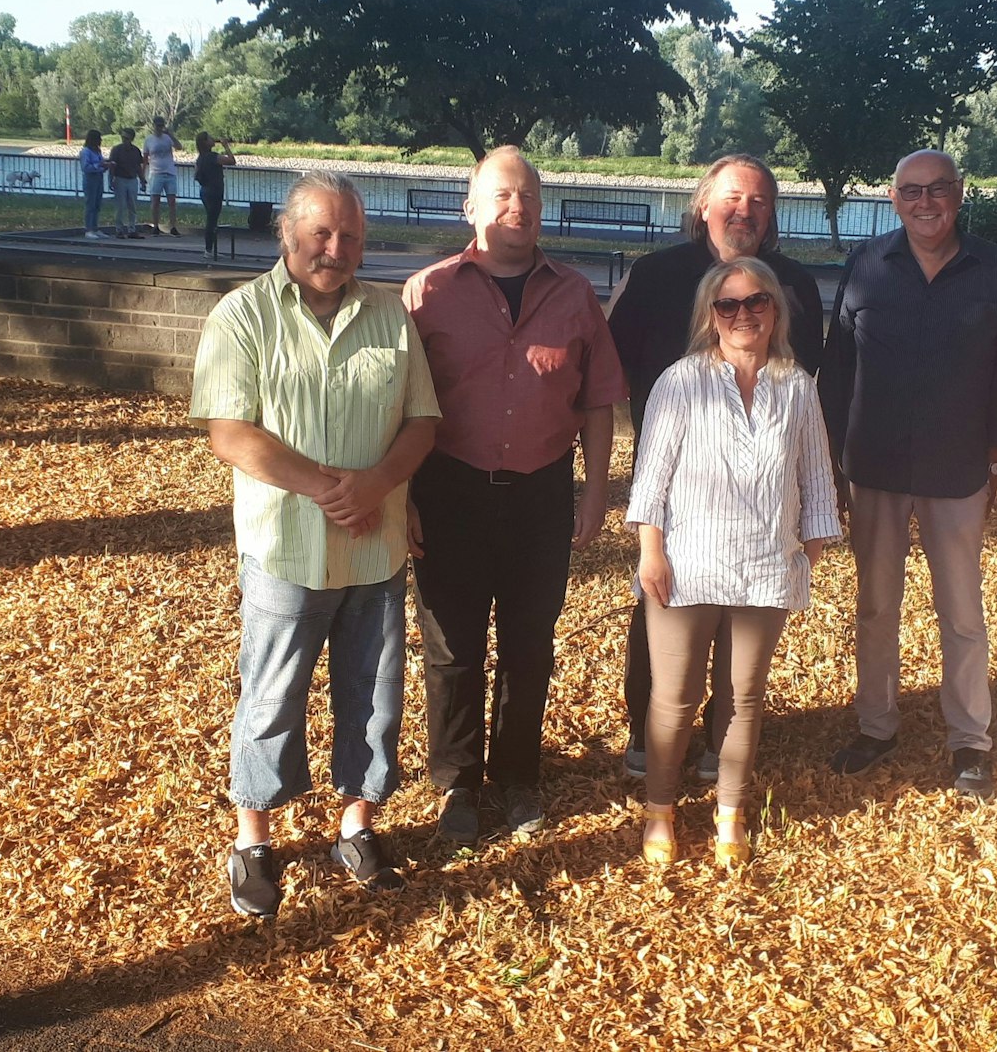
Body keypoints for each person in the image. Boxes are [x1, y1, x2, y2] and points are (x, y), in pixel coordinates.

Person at [191, 171, 441, 915]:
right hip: (287, 547)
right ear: (287, 232)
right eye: (322, 234)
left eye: (351, 237)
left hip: (375, 547)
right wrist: (326, 486)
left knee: (374, 696)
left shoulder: (391, 317)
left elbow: (422, 422)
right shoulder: (242, 316)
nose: (337, 249)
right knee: (272, 695)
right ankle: (253, 840)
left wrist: (376, 485)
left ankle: (357, 823)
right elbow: (229, 433)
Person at [403, 146, 628, 846]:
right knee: (452, 644)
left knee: (530, 642)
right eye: (501, 195)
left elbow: (597, 402)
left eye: (528, 195)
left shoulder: (574, 294)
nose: (517, 207)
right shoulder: (427, 293)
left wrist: (594, 493)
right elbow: (397, 406)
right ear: (469, 207)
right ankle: (459, 783)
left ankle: (519, 775)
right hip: (450, 487)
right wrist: (401, 496)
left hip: (540, 492)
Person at [606, 154, 825, 782]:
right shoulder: (655, 275)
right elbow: (610, 362)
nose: (744, 211)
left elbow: (805, 382)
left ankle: (719, 747)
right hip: (680, 489)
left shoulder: (794, 285)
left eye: (759, 201)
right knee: (661, 611)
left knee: (743, 639)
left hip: (762, 495)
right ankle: (648, 737)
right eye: (732, 198)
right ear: (703, 204)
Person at [818, 149, 997, 797]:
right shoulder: (867, 265)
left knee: (961, 613)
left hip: (958, 466)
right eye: (912, 190)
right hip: (873, 464)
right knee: (876, 605)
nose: (925, 201)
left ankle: (970, 742)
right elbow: (837, 365)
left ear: (960, 194)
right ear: (892, 196)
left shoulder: (994, 268)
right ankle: (876, 726)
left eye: (938, 189)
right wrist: (827, 457)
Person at [628, 257, 840, 866]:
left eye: (757, 303)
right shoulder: (681, 380)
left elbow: (816, 477)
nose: (744, 314)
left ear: (776, 310)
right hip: (687, 565)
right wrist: (651, 552)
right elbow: (651, 480)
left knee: (742, 697)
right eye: (729, 305)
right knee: (674, 698)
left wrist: (808, 551)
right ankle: (661, 811)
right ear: (710, 315)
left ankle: (729, 812)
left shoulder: (796, 385)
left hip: (764, 568)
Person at [194, 132, 237, 260]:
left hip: (205, 190)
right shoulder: (213, 157)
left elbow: (196, 174)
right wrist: (226, 146)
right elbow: (232, 161)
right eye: (210, 138)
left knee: (211, 219)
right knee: (212, 220)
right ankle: (208, 249)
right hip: (214, 191)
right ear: (205, 142)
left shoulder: (200, 158)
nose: (213, 139)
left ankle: (210, 249)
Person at [144, 115, 182, 236]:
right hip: (156, 173)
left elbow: (179, 146)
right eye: (158, 125)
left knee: (172, 201)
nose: (160, 128)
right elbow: (145, 158)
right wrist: (142, 175)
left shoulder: (167, 138)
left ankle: (173, 226)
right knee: (155, 201)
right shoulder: (148, 140)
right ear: (154, 126)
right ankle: (155, 226)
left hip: (170, 172)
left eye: (161, 125)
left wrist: (170, 134)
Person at [109, 128, 145, 238]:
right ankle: (119, 229)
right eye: (123, 137)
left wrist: (142, 180)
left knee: (132, 206)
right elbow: (112, 165)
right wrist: (111, 180)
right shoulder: (116, 150)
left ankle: (132, 229)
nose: (124, 140)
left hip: (132, 180)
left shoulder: (136, 151)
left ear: (132, 139)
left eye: (126, 138)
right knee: (120, 206)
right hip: (120, 179)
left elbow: (139, 166)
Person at [78, 130, 110, 239]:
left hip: (99, 179)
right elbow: (85, 167)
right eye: (99, 138)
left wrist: (106, 166)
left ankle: (95, 228)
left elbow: (101, 164)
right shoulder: (85, 152)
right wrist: (99, 165)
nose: (100, 140)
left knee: (97, 204)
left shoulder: (97, 151)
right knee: (90, 204)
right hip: (90, 180)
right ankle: (89, 229)